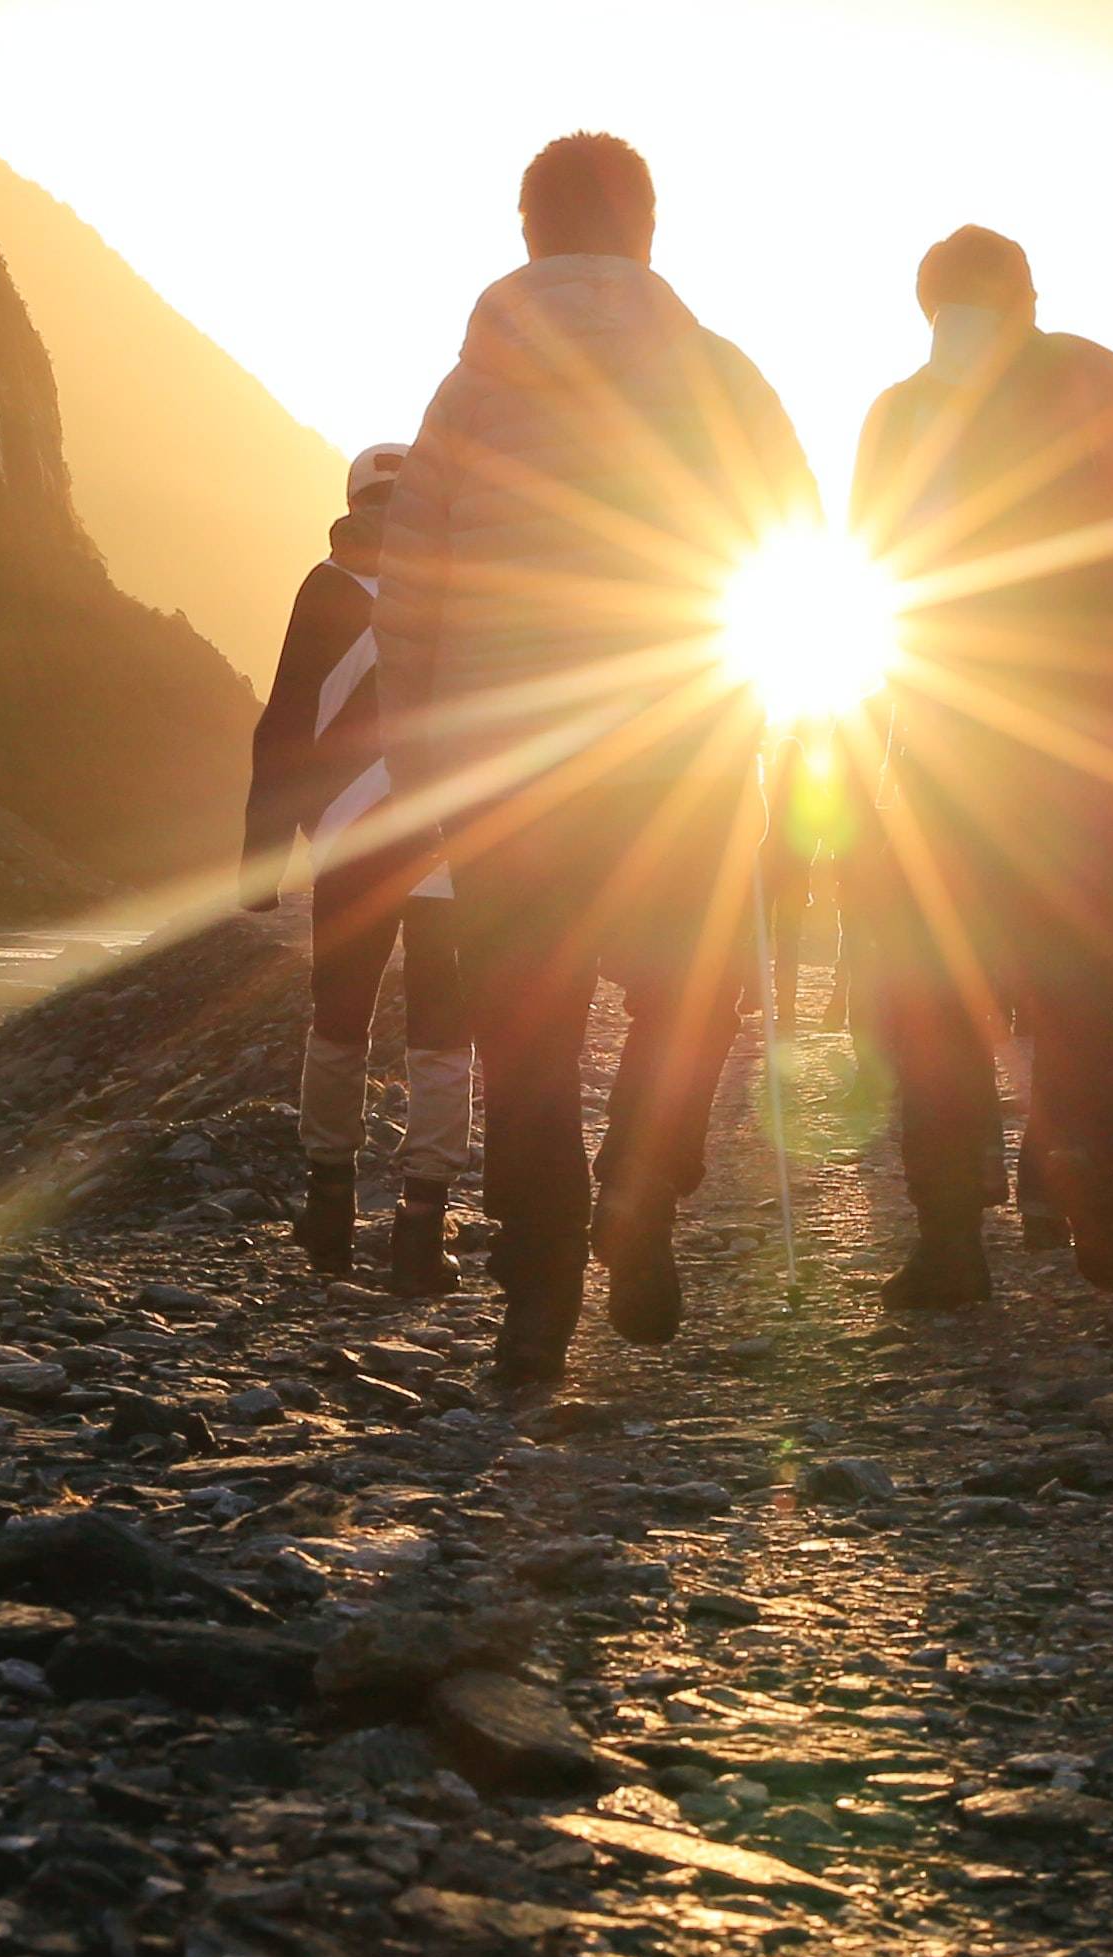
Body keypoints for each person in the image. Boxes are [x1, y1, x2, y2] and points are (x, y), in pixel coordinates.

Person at [371, 134, 815, 1399]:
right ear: (649, 230)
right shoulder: (724, 377)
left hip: (510, 763)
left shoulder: (467, 396)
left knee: (529, 1030)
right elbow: (795, 547)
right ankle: (643, 1185)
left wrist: (420, 769)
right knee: (689, 990)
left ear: (526, 234)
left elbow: (408, 603)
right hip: (680, 744)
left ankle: (540, 1295)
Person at [846, 225, 1113, 1309]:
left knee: (937, 991)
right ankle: (1075, 1163)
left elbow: (868, 574)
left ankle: (951, 1241)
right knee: (1070, 981)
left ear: (927, 308)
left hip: (947, 743)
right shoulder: (1094, 388)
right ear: (1029, 297)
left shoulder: (899, 414)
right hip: (1075, 746)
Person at [243, 442, 474, 1290]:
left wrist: (262, 864)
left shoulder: (324, 589)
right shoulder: (459, 588)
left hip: (347, 842)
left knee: (338, 1019)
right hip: (449, 841)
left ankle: (329, 1205)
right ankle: (421, 1226)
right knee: (444, 1030)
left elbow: (282, 725)